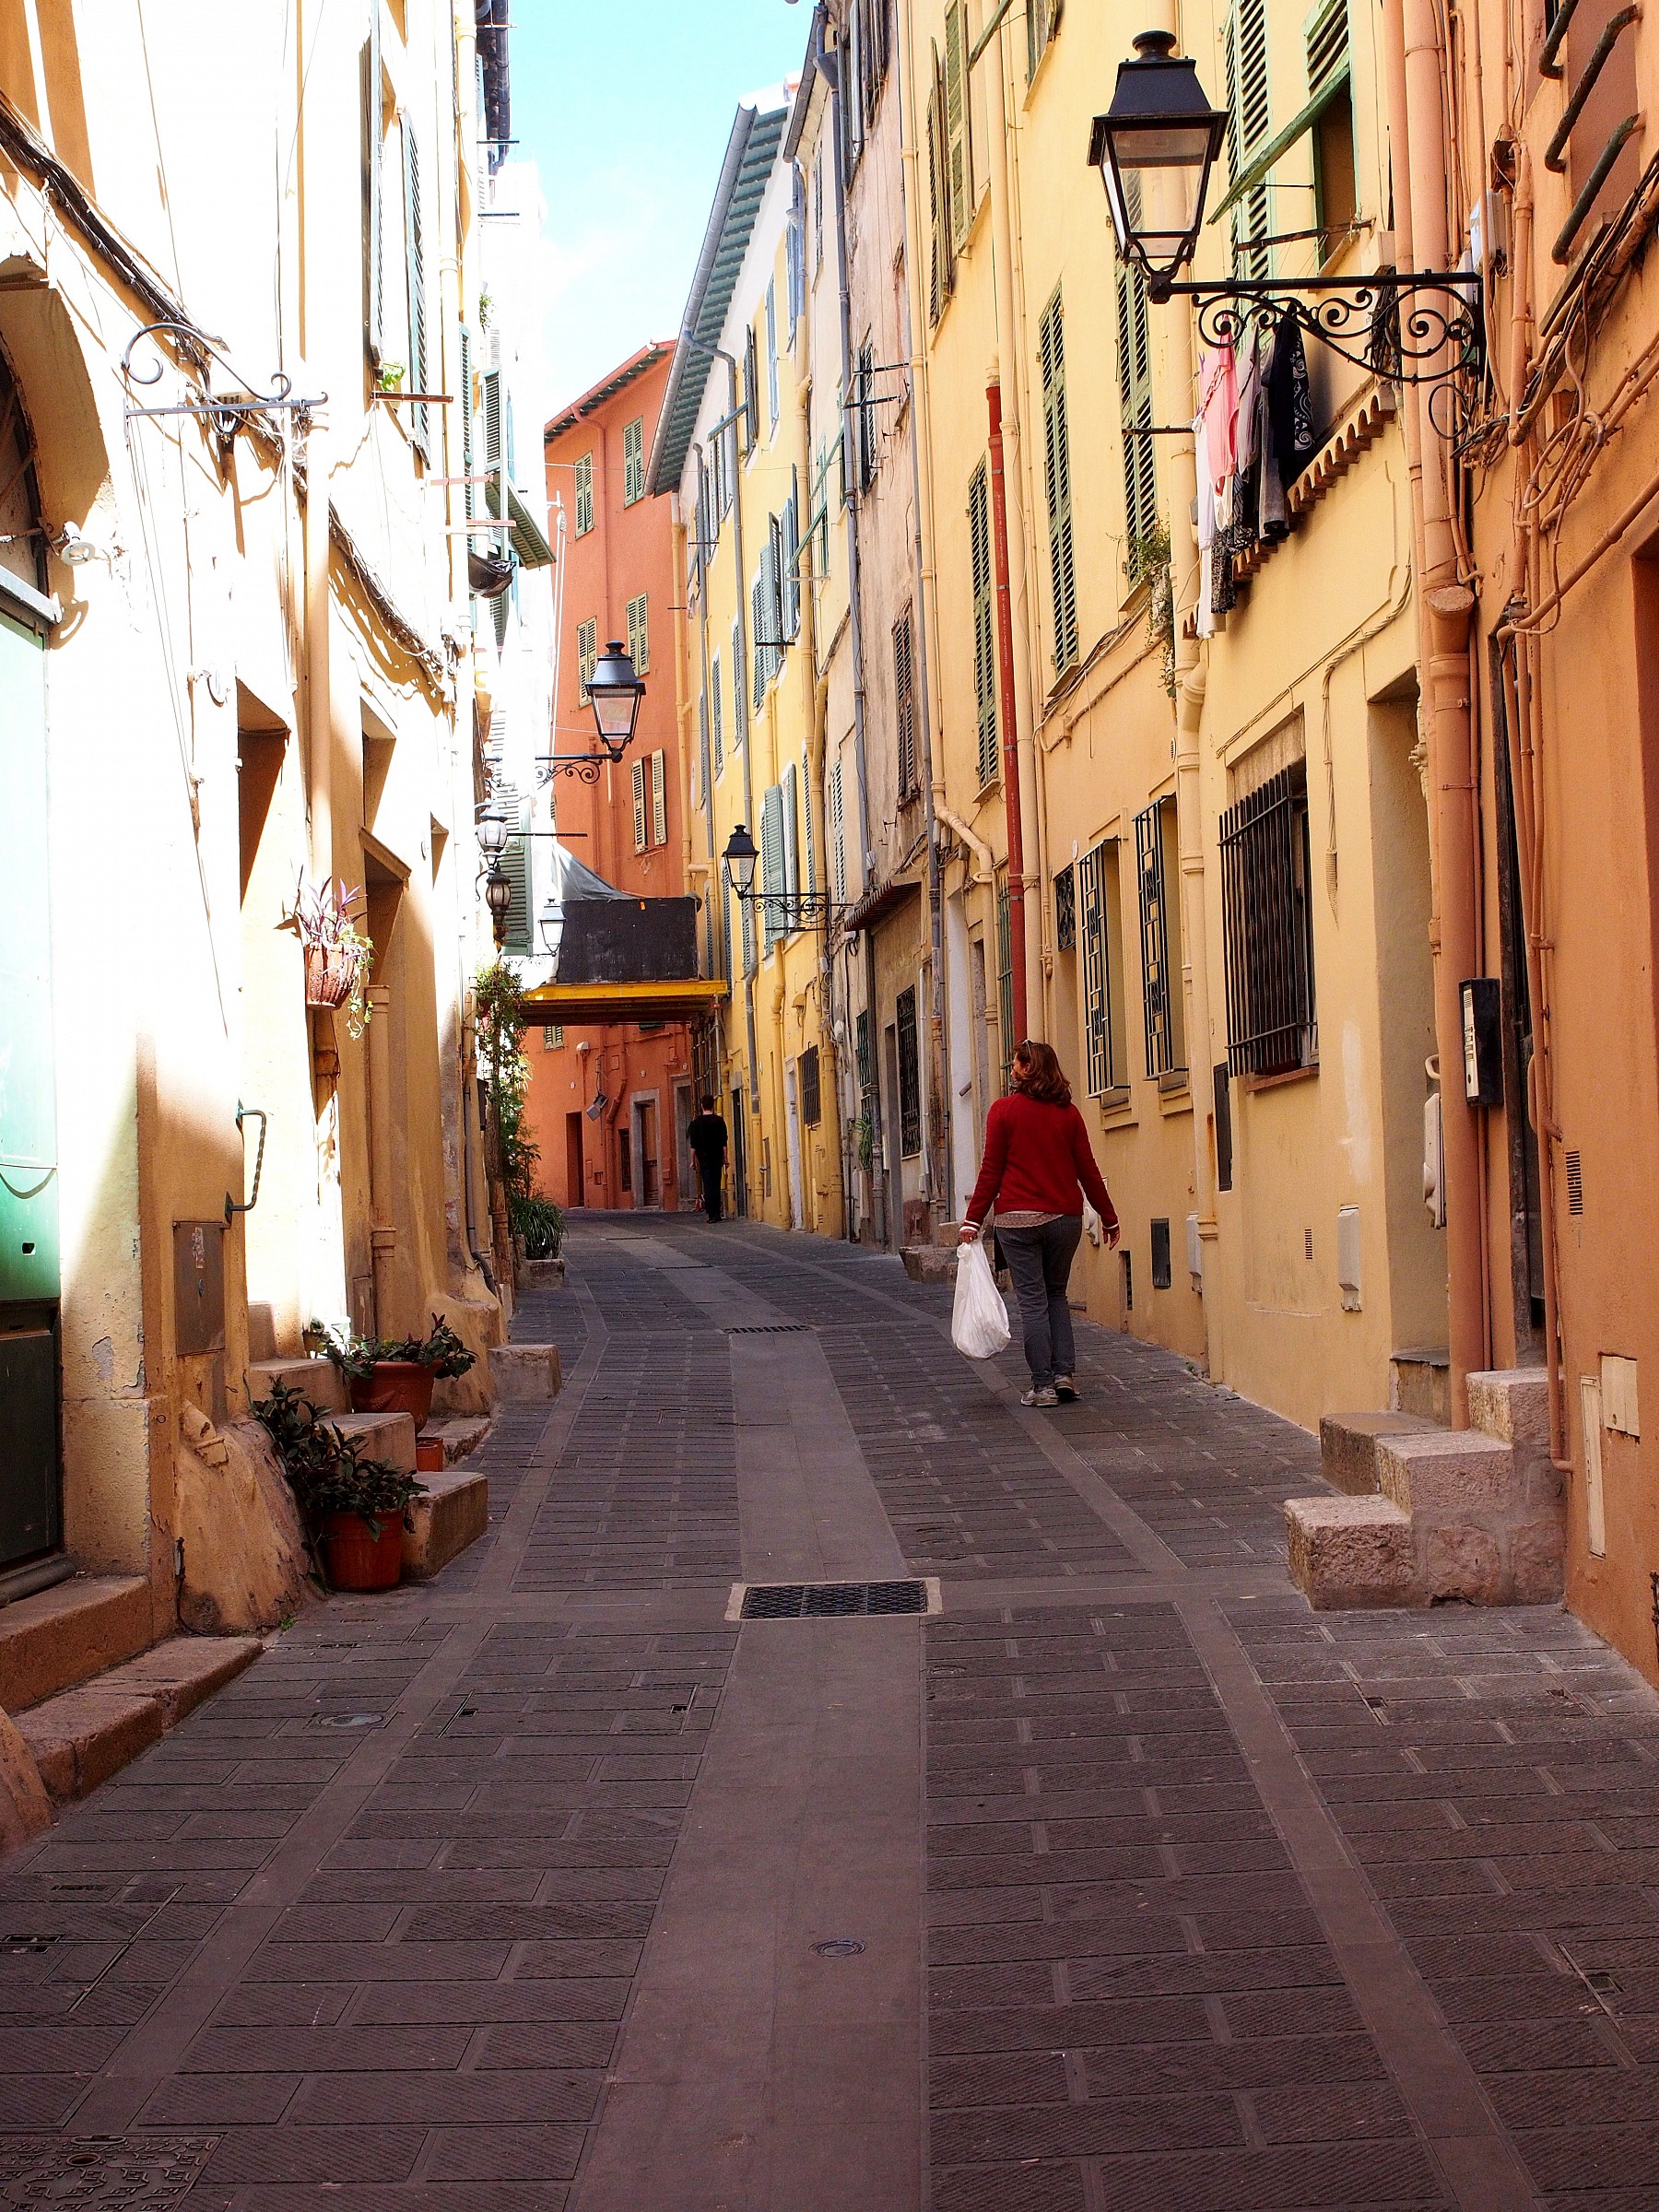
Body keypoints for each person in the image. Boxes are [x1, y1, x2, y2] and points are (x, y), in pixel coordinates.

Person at [960, 1041, 1119, 1408]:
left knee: (1032, 1301)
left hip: (1017, 1221)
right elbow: (1088, 1171)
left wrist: (973, 1220)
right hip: (1064, 1219)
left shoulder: (1003, 1111)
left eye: (1016, 1064)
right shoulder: (1069, 1115)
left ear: (1028, 1068)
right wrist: (1108, 1217)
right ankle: (1065, 1374)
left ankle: (1043, 1386)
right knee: (1056, 1294)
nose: (1011, 1069)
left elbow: (991, 1171)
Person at [686, 1095, 729, 1222]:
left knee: (707, 1184)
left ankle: (711, 1214)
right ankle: (717, 1213)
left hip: (703, 1158)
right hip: (716, 1157)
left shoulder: (696, 1123)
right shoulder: (719, 1121)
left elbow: (693, 1145)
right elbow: (723, 1142)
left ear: (702, 1106)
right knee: (716, 1184)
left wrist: (692, 1161)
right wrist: (725, 1158)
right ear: (713, 1105)